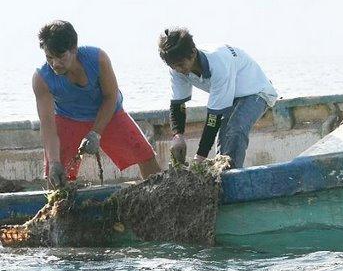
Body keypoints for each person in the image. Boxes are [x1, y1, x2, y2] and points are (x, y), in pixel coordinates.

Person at [33, 20, 161, 189]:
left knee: (145, 155)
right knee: (55, 172)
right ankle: (59, 209)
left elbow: (110, 97)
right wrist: (54, 161)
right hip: (68, 118)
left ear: (74, 49)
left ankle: (158, 197)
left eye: (61, 56)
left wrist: (96, 132)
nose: (55, 63)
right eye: (49, 57)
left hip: (108, 113)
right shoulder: (41, 79)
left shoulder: (98, 59)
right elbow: (48, 125)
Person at [158, 27, 278, 168]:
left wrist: (200, 157)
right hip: (232, 93)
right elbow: (178, 104)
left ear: (193, 53)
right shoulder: (176, 68)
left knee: (235, 128)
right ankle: (220, 174)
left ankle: (231, 176)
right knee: (223, 137)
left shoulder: (218, 64)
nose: (178, 70)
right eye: (173, 66)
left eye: (180, 65)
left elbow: (213, 118)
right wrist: (177, 136)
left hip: (256, 91)